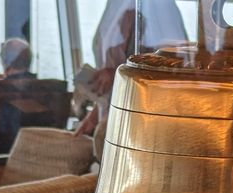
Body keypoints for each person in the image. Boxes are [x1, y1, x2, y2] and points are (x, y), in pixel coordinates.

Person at [74, 0, 187, 137]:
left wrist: (118, 73)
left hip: (141, 126)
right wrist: (95, 115)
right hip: (114, 119)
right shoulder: (117, 5)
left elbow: (173, 68)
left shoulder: (156, 7)